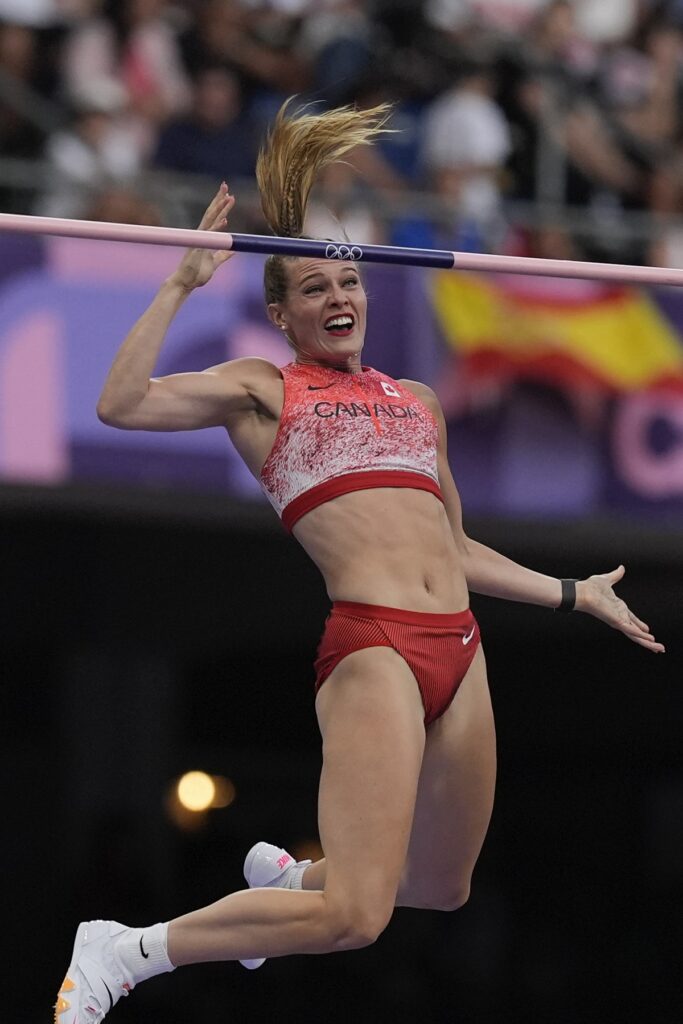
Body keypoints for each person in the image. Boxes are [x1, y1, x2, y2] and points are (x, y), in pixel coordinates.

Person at [54, 99, 664, 1024]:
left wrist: (572, 592)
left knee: (441, 886)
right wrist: (179, 284)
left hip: (458, 646)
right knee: (356, 917)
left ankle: (293, 881)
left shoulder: (418, 399)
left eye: (348, 283)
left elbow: (453, 547)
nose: (338, 299)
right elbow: (120, 404)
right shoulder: (263, 390)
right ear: (281, 313)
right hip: (374, 646)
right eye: (312, 290)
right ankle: (128, 950)